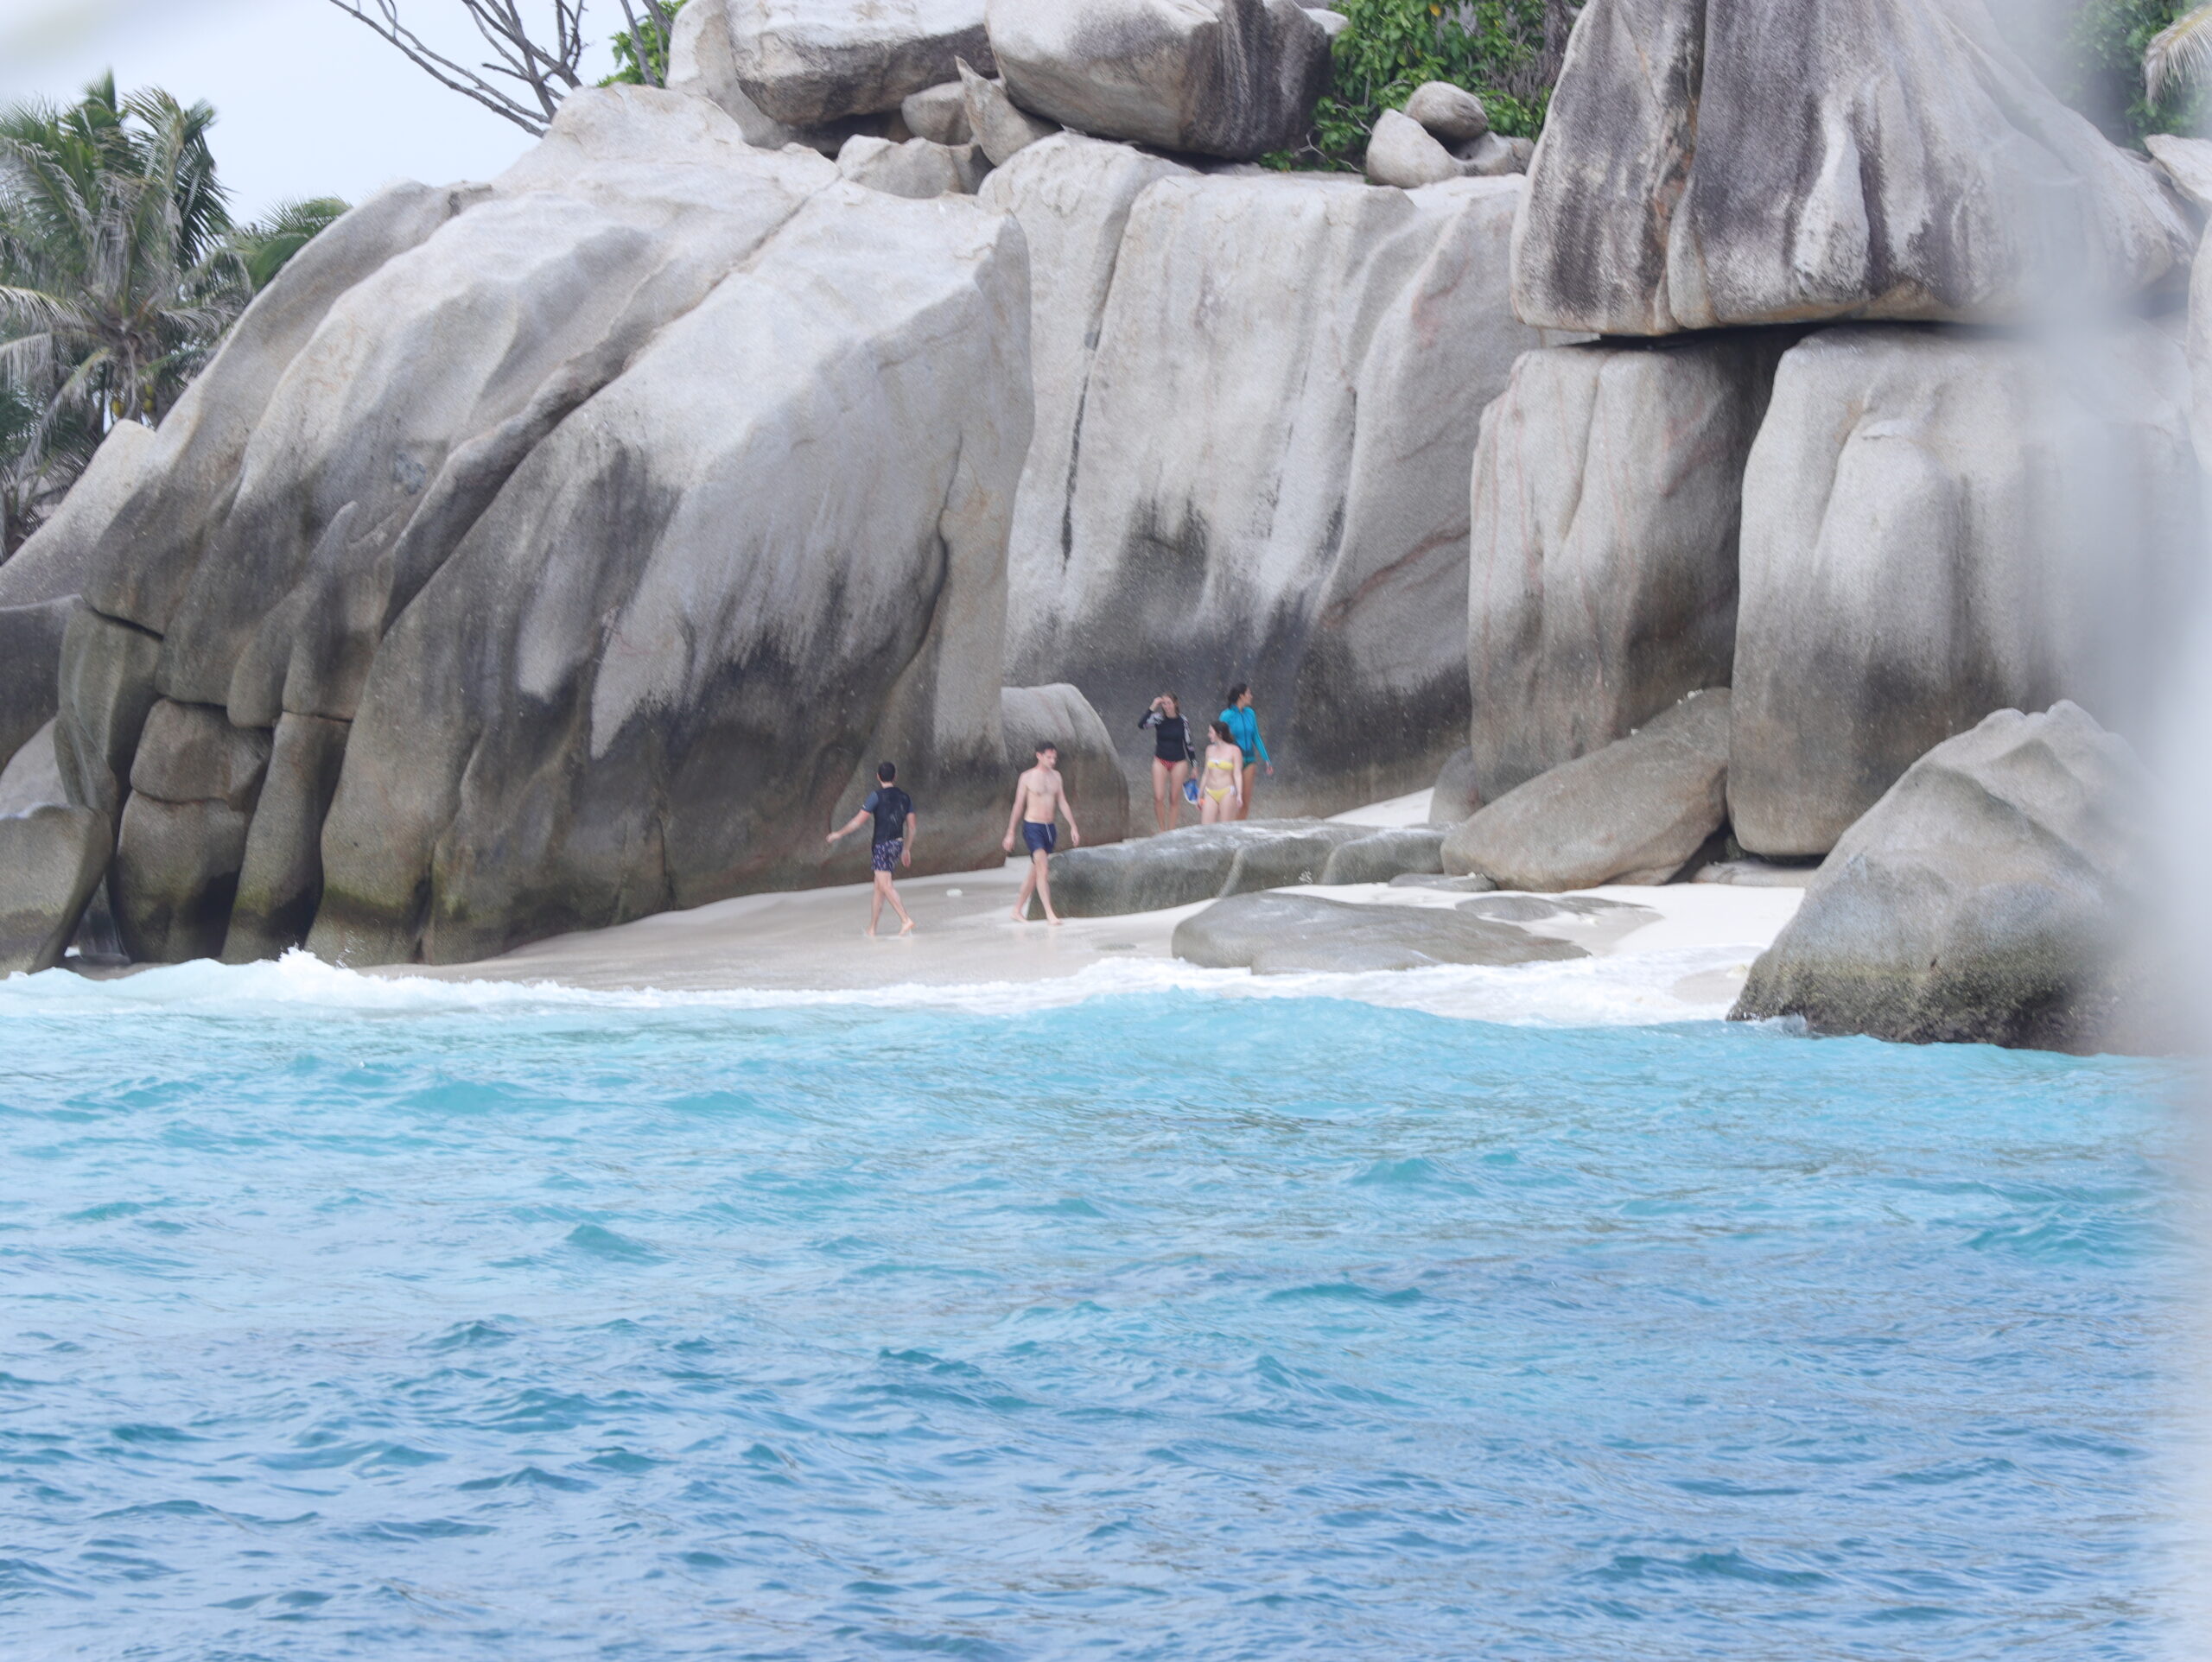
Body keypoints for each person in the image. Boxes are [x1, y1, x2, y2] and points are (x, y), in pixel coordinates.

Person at [826, 761, 915, 936]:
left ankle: (906, 920)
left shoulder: (876, 796)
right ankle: (872, 928)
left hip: (882, 845)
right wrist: (906, 849)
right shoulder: (905, 797)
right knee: (878, 887)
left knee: (886, 885)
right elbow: (912, 827)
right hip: (897, 844)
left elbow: (858, 822)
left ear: (878, 777)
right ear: (895, 777)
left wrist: (839, 834)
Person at [1003, 739, 1082, 923]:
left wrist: (1073, 826)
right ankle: (1049, 914)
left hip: (1050, 828)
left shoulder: (1057, 777)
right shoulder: (1027, 777)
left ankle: (1016, 910)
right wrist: (1010, 832)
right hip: (1033, 827)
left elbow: (1062, 802)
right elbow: (1018, 805)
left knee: (1035, 873)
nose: (1053, 760)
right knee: (1043, 869)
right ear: (1039, 756)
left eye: (1055, 757)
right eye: (1049, 757)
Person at [1138, 694, 1194, 834]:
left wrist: (1195, 765)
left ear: (1175, 703)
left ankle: (1171, 830)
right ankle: (1162, 830)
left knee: (1174, 798)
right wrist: (1153, 705)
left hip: (1179, 761)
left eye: (1169, 703)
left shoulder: (1183, 720)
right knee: (1158, 796)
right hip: (1160, 760)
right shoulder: (1158, 718)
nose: (1166, 706)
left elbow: (1188, 743)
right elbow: (1142, 725)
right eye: (1164, 704)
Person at [1218, 682, 1271, 821]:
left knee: (1245, 802)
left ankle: (1238, 832)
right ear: (1241, 696)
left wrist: (1266, 759)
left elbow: (1256, 737)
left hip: (1249, 760)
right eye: (1249, 693)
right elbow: (1218, 739)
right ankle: (1227, 828)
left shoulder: (1250, 713)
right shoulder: (1226, 715)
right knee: (1232, 800)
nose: (1251, 696)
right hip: (1233, 762)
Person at [1196, 720, 1243, 824]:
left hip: (1227, 791)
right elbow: (1206, 774)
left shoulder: (1235, 750)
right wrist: (1199, 795)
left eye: (1211, 732)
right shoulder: (1209, 749)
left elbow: (1237, 774)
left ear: (1220, 734)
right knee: (1206, 827)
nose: (1208, 735)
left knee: (1225, 827)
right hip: (1210, 792)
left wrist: (1239, 794)